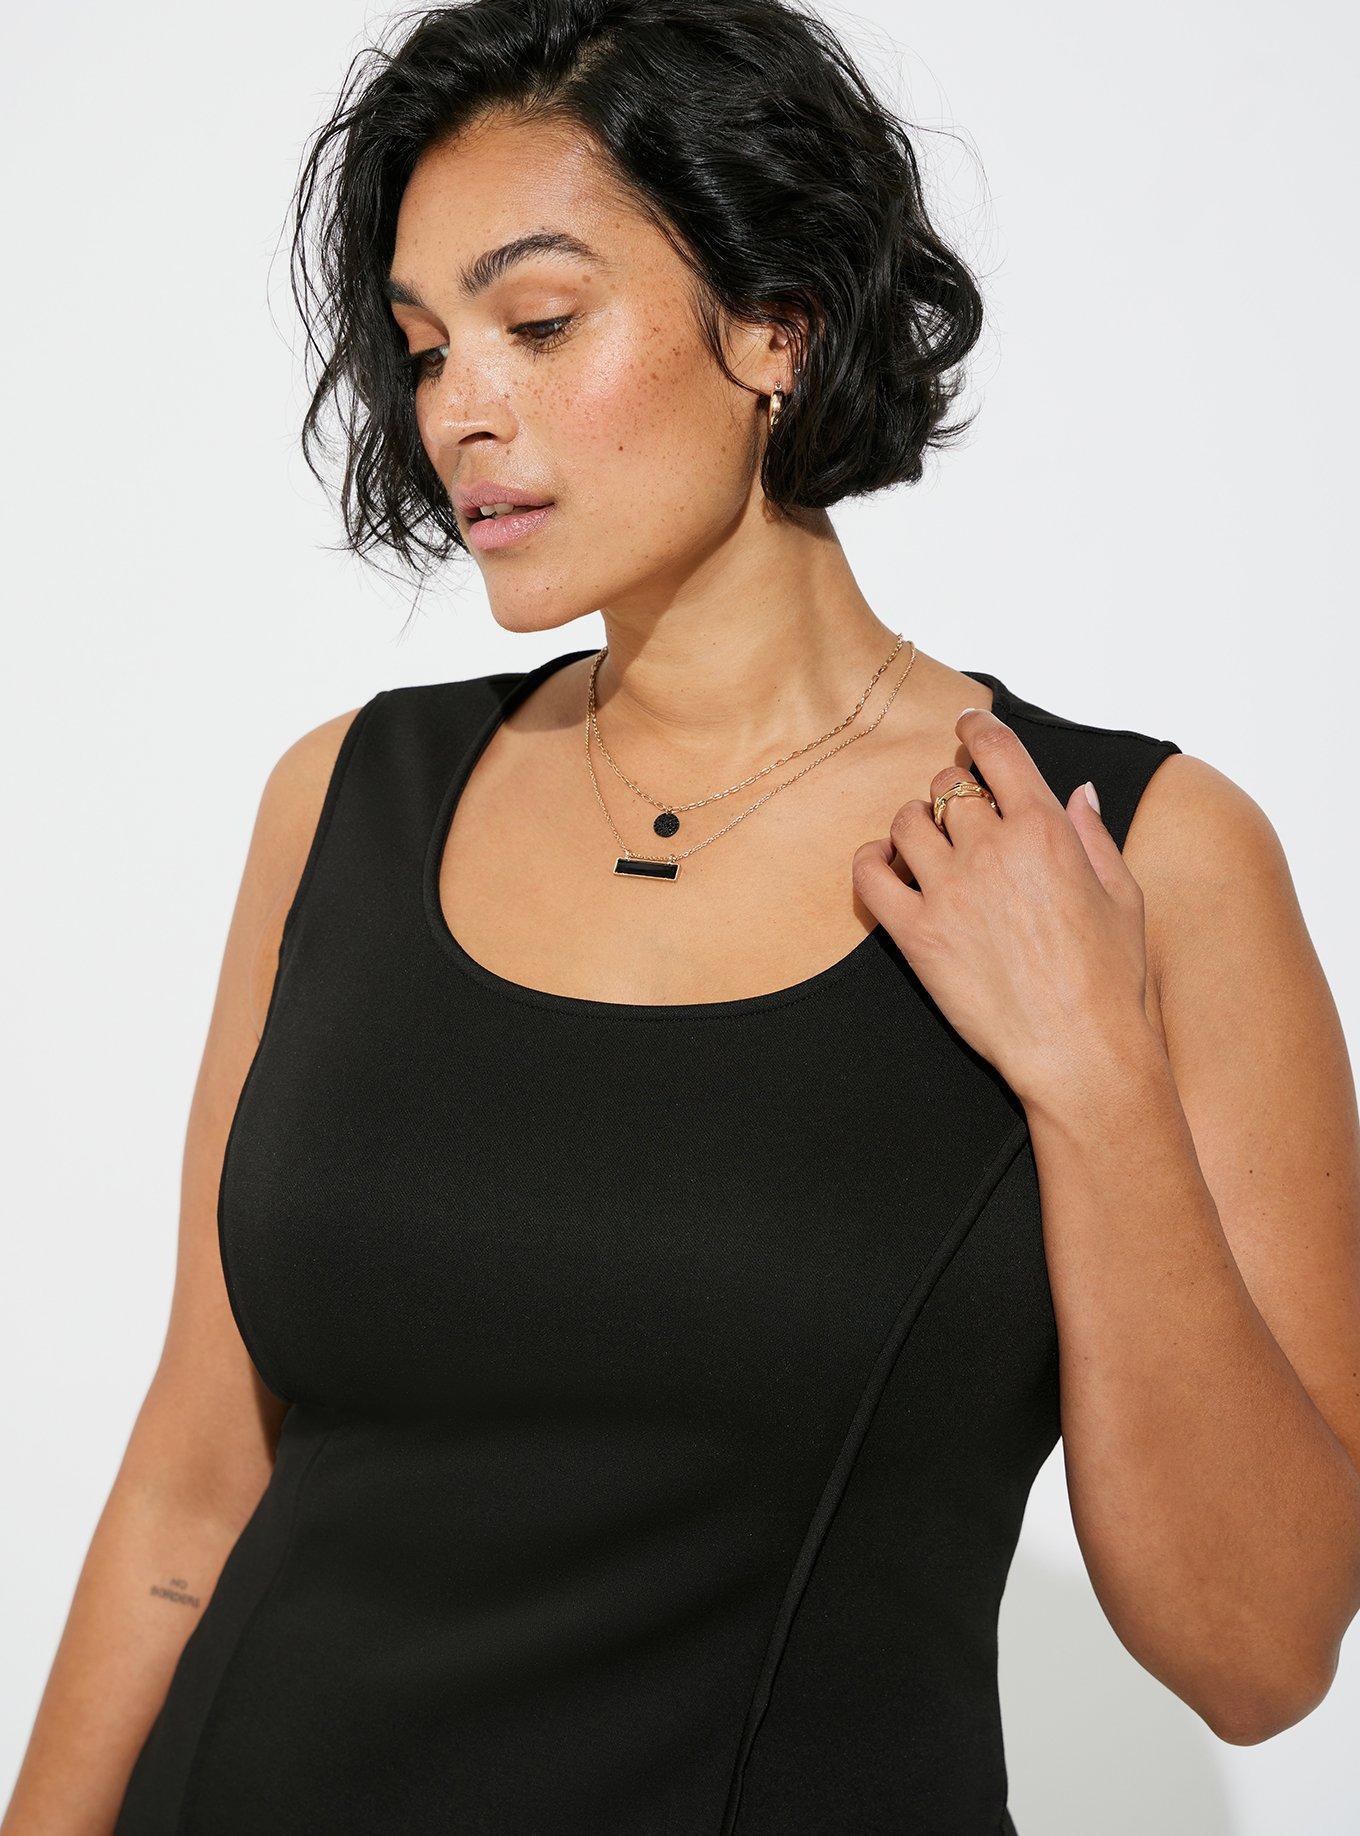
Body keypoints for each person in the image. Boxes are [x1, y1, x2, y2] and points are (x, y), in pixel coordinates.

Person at [7, 2, 1360, 1831]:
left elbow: (1260, 1656)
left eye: (540, 322)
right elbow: (191, 1486)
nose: (460, 408)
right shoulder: (345, 802)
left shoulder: (1140, 855)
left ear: (777, 323)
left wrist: (1094, 1072)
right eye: (426, 348)